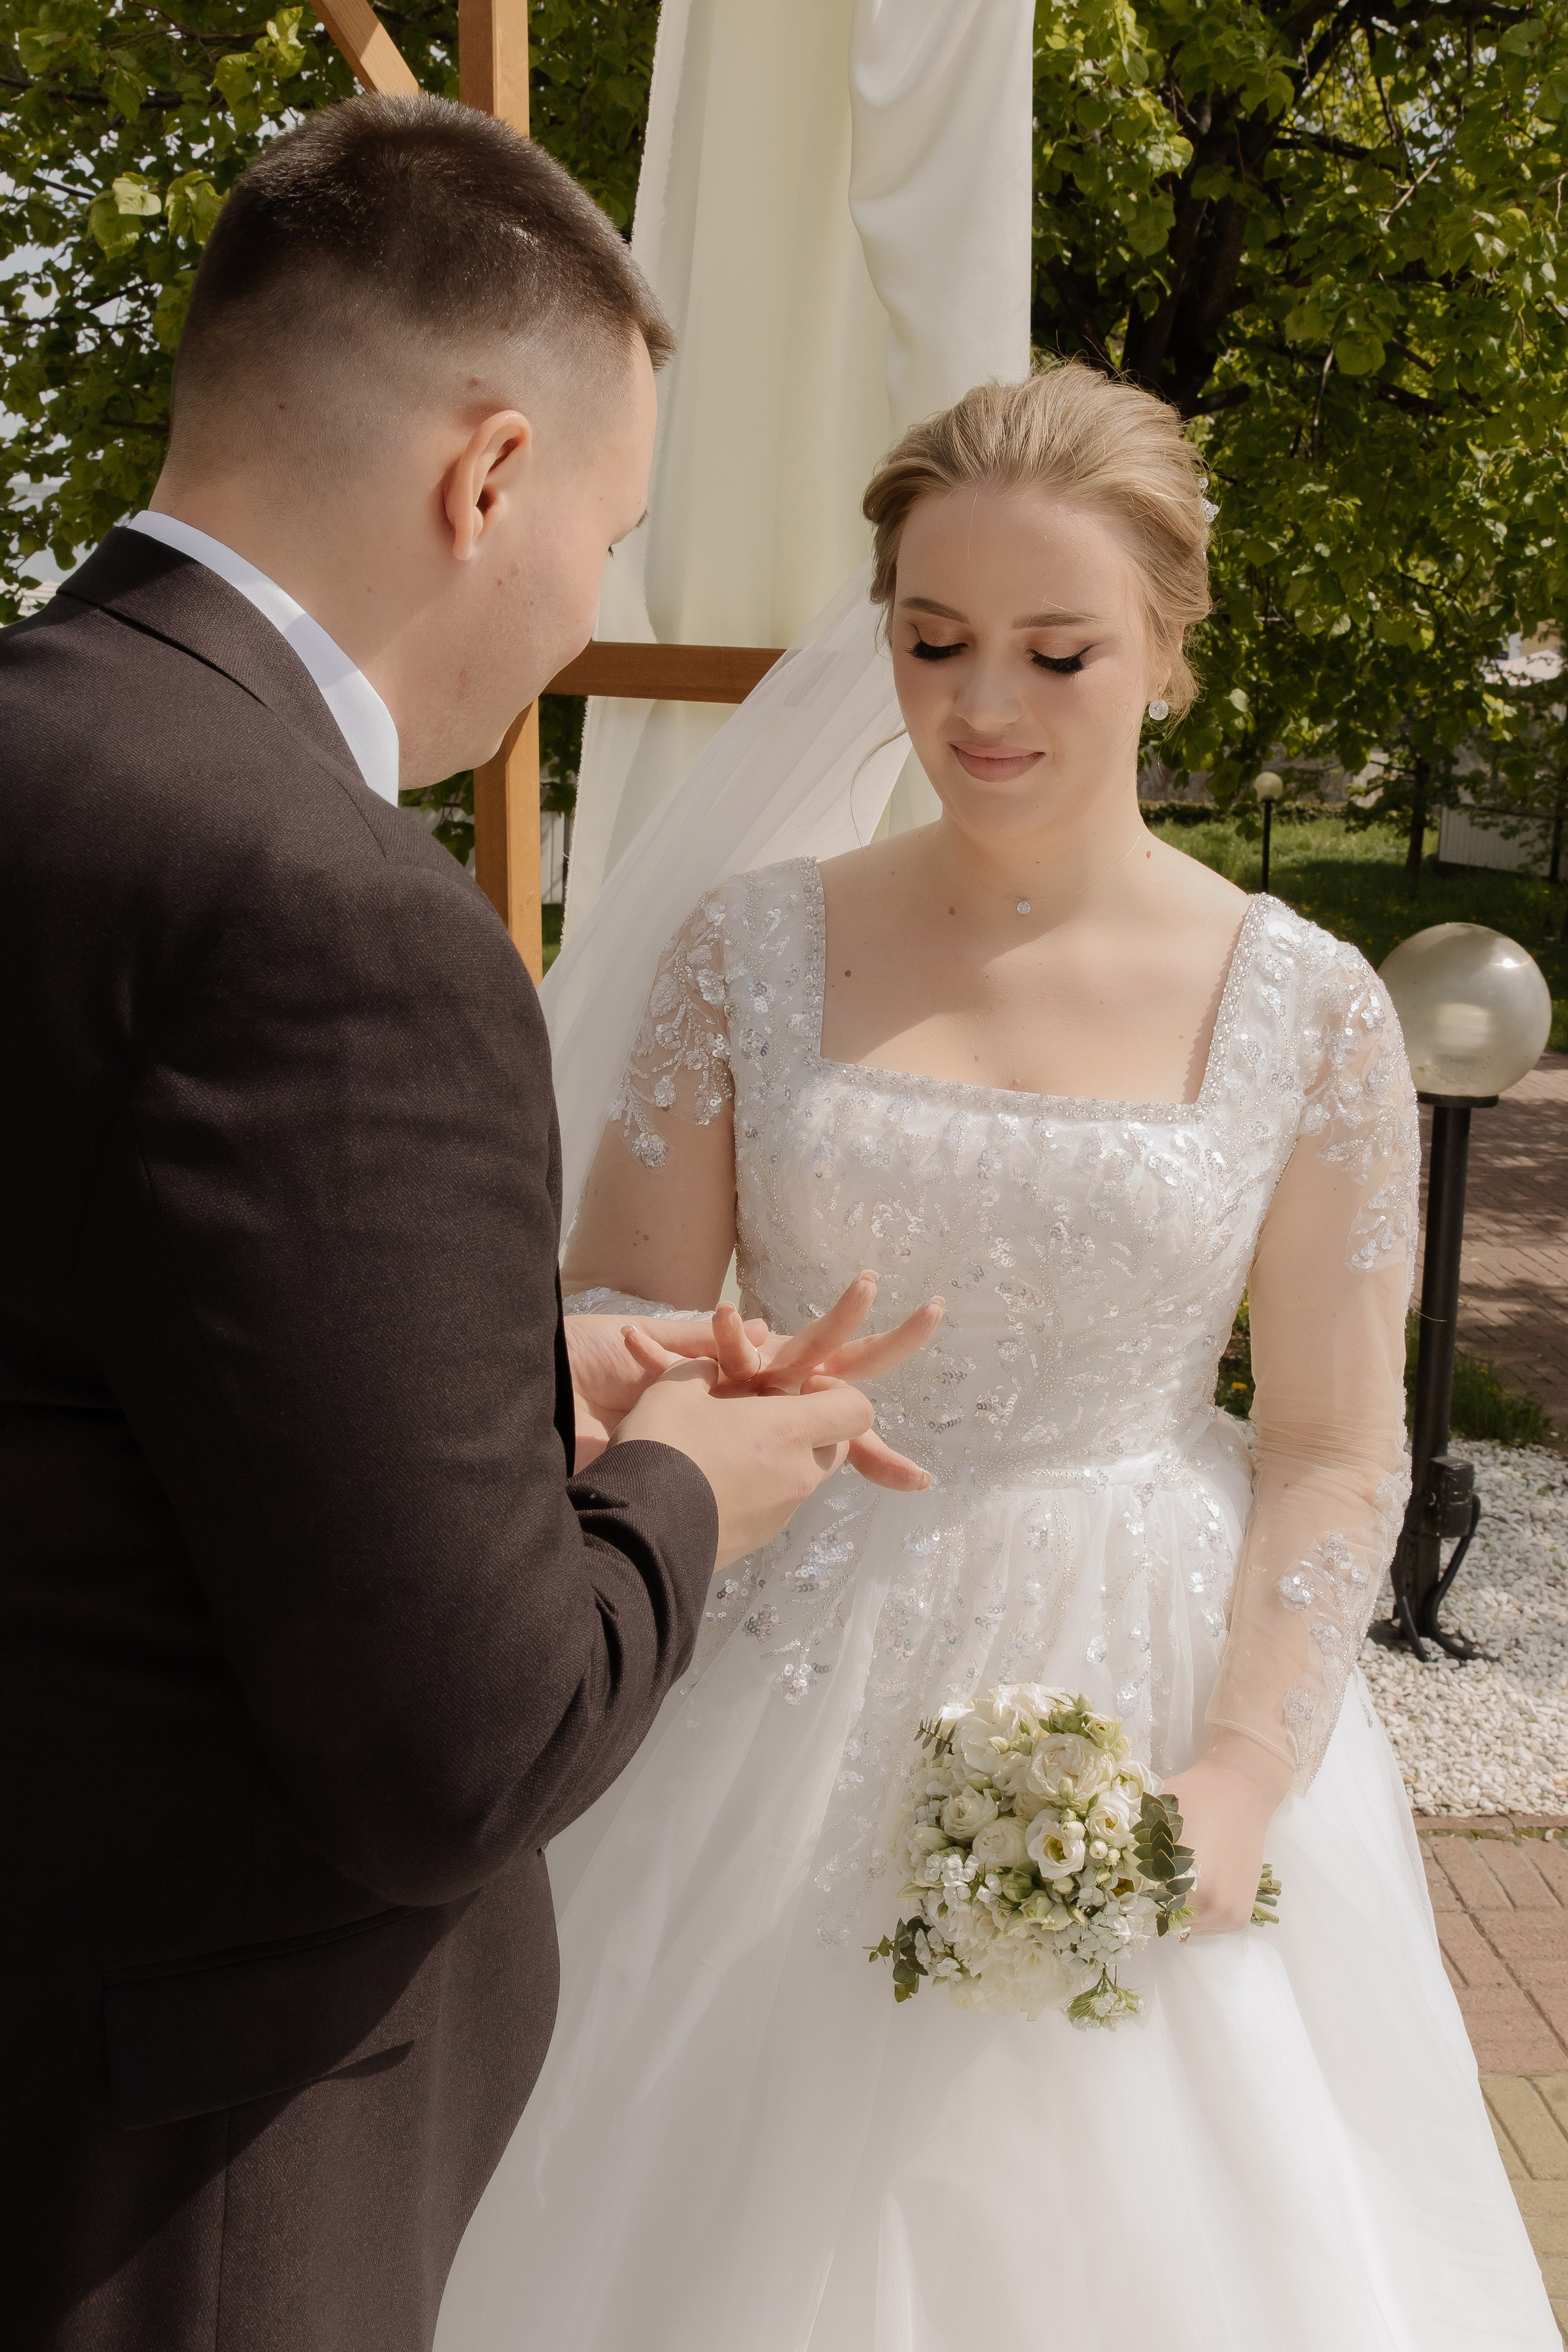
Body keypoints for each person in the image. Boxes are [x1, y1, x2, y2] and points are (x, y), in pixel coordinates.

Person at [436, 362, 1558, 2350]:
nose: (981, 706)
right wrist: (720, 1381)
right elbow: (611, 1329)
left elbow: (1325, 1447)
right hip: (766, 1655)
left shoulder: (1299, 1011)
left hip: (1141, 1667)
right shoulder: (750, 950)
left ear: (1168, 660)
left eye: (1057, 651)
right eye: (935, 640)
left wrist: (1233, 1773)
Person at [0, 94, 937, 2352]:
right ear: (489, 477)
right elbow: (463, 1747)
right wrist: (686, 1488)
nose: (584, 607)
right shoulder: (336, 914)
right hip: (181, 2183)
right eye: (606, 535)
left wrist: (517, 1377)